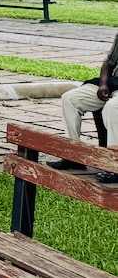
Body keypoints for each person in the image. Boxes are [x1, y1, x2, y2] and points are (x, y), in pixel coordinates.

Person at [52, 31, 118, 183]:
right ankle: (72, 156)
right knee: (70, 99)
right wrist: (103, 84)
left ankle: (114, 164)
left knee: (112, 107)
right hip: (113, 83)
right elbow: (108, 63)